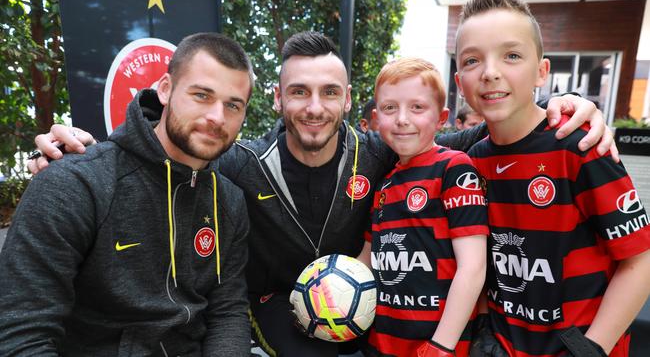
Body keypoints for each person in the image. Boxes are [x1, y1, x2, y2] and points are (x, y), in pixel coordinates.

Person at [29, 31, 615, 357]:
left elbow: (460, 137)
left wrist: (559, 110)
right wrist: (84, 146)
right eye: (300, 92)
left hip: (375, 330)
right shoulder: (238, 163)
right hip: (280, 325)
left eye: (329, 92)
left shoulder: (381, 151)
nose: (315, 107)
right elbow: (174, 146)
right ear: (278, 101)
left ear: (347, 100)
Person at [0, 33, 253, 356]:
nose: (218, 117)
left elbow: (227, 313)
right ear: (165, 89)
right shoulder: (75, 184)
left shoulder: (229, 201)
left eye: (233, 105)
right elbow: (20, 336)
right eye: (202, 95)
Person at [454, 0, 650, 356]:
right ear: (459, 80)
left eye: (511, 55)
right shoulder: (468, 162)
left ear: (542, 72)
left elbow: (640, 258)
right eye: (472, 60)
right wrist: (483, 326)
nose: (490, 71)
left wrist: (592, 348)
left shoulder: (580, 146)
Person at [357, 57, 488, 357]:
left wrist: (441, 345)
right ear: (377, 117)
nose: (402, 119)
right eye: (390, 108)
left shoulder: (454, 168)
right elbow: (366, 259)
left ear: (441, 118)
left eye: (417, 108)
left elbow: (473, 267)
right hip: (381, 344)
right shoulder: (383, 184)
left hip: (438, 346)